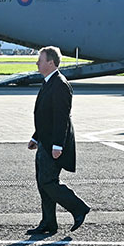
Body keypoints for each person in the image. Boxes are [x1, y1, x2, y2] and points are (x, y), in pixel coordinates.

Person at [26, 46, 90, 234]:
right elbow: (46, 116)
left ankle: (78, 207)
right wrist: (36, 137)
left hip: (54, 143)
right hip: (45, 141)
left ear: (51, 62)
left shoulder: (60, 84)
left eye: (41, 59)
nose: (37, 63)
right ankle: (48, 222)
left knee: (48, 181)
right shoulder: (49, 82)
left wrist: (57, 145)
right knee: (42, 182)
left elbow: (61, 118)